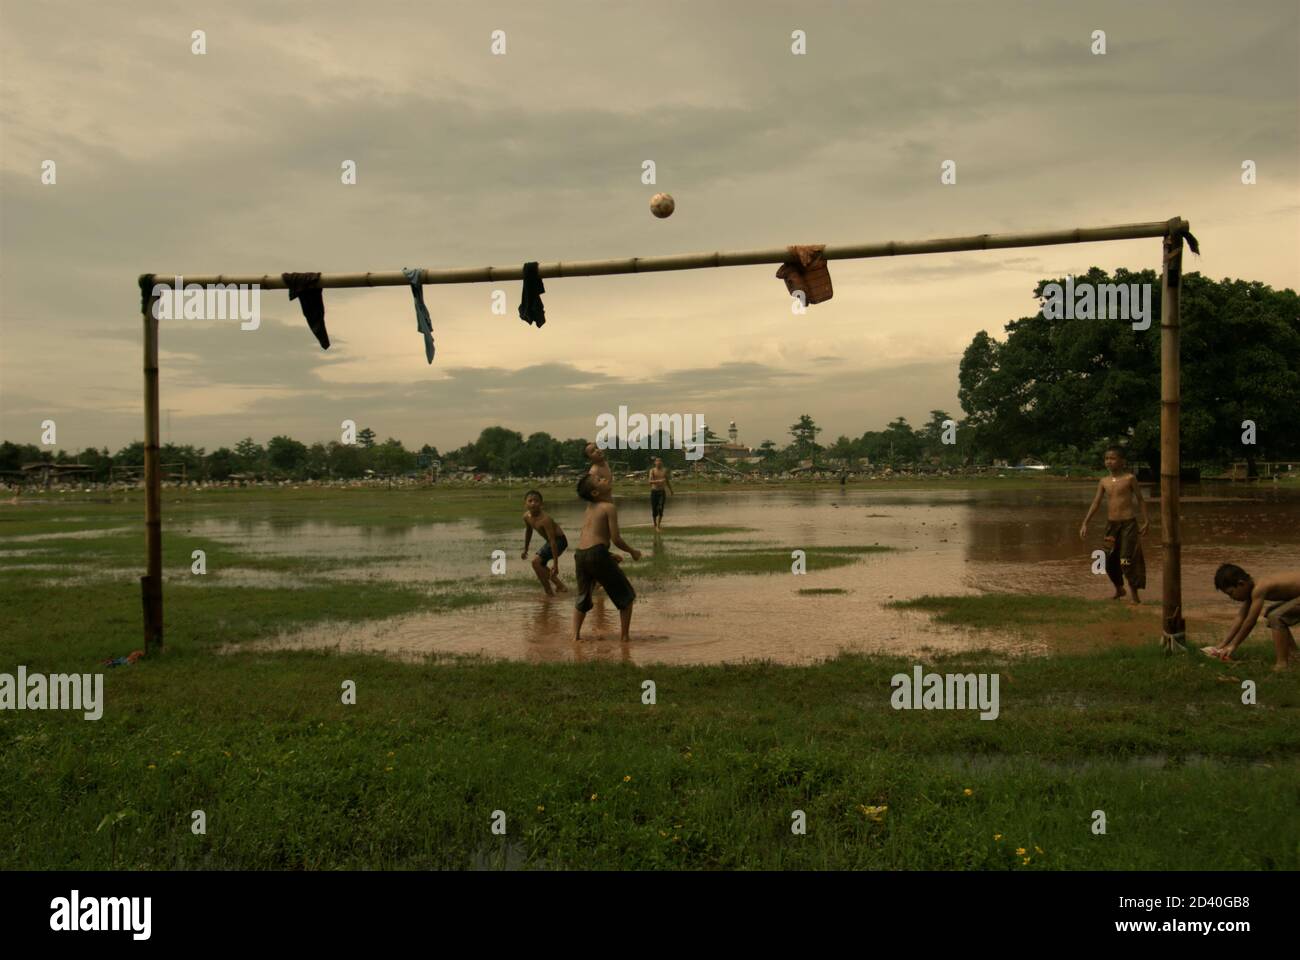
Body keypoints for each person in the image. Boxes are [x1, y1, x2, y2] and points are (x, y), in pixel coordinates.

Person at [572, 472, 640, 642]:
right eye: (599, 480)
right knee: (626, 596)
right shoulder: (608, 507)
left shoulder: (589, 509)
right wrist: (632, 551)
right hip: (597, 553)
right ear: (595, 493)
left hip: (580, 554)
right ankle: (625, 638)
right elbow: (615, 539)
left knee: (583, 597)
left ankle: (575, 637)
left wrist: (607, 555)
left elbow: (587, 537)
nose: (604, 479)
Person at [1079, 447, 1149, 603]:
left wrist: (1146, 521)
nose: (1109, 461)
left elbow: (1140, 500)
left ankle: (1135, 596)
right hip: (1112, 525)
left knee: (1126, 559)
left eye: (1113, 458)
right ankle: (1119, 589)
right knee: (1105, 559)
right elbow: (1096, 503)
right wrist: (1085, 523)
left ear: (1122, 461)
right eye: (1106, 458)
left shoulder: (1130, 478)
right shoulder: (1104, 481)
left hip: (1129, 525)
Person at [1203, 564, 1300, 670]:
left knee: (1276, 616)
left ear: (1241, 584)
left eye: (1231, 593)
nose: (1232, 598)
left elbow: (1250, 621)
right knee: (1271, 612)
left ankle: (1282, 664)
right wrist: (1221, 645)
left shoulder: (1259, 588)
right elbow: (1240, 618)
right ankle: (1294, 655)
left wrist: (1233, 645)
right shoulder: (1252, 588)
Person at [520, 490, 567, 595]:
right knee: (538, 564)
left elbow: (553, 541)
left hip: (559, 541)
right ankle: (558, 587)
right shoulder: (526, 517)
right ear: (525, 504)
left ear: (541, 504)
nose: (533, 503)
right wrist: (525, 549)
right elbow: (529, 531)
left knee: (536, 563)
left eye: (536, 501)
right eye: (530, 501)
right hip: (551, 542)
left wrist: (555, 564)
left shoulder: (545, 520)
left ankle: (551, 590)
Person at [648, 457, 674, 530]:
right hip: (654, 491)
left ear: (661, 463)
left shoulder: (664, 471)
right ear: (655, 463)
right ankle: (655, 524)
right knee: (654, 509)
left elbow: (667, 481)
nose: (658, 462)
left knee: (660, 508)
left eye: (660, 461)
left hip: (662, 491)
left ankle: (658, 526)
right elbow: (649, 481)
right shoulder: (652, 471)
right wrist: (659, 481)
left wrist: (671, 490)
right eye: (657, 461)